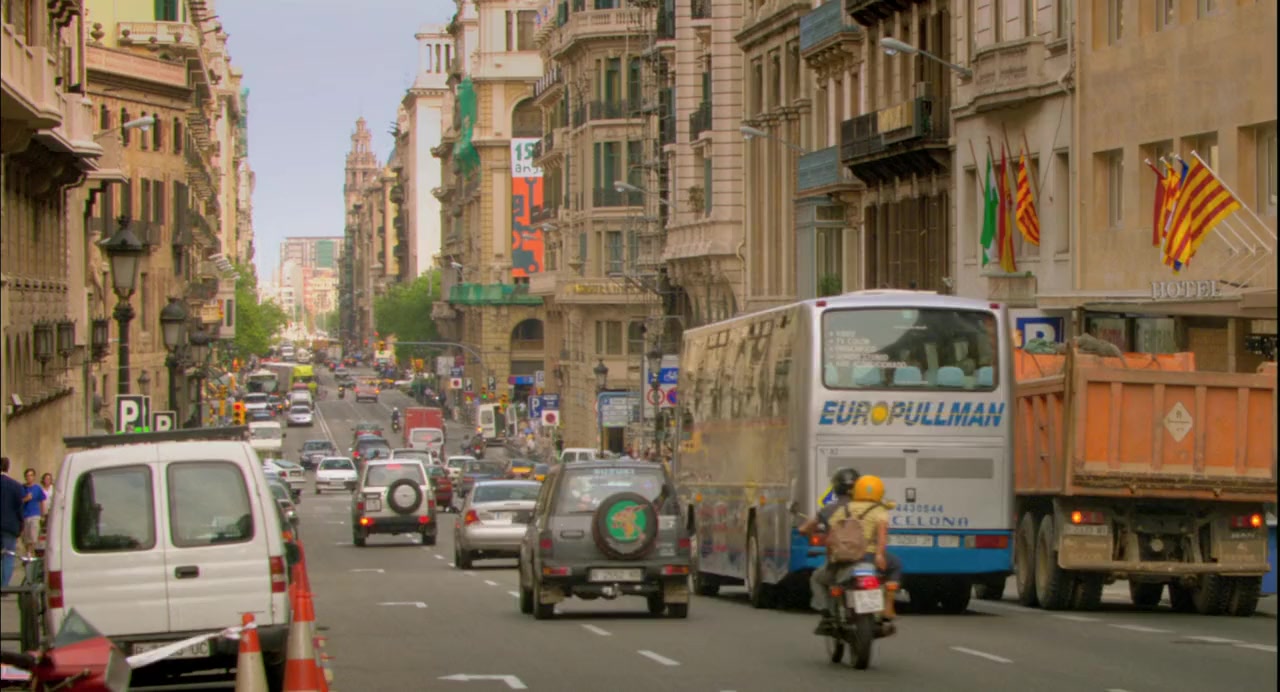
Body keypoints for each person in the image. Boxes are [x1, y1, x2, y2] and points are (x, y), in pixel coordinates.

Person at [1, 457, 25, 587]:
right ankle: (4, 586)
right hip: (10, 525)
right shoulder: (15, 486)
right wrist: (21, 524)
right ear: (8, 468)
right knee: (8, 555)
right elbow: (19, 507)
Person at [20, 468, 46, 559]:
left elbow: (42, 501)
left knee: (33, 536)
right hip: (25, 515)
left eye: (31, 475)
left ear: (34, 477)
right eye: (27, 476)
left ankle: (30, 553)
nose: (29, 477)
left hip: (35, 514)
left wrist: (43, 515)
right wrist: (25, 499)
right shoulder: (22, 488)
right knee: (26, 537)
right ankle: (28, 553)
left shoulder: (38, 488)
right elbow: (18, 501)